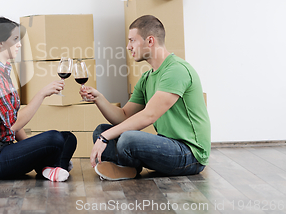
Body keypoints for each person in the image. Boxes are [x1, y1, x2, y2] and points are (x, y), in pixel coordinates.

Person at [79, 15, 211, 180]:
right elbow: (124, 117)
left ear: (150, 41)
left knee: (125, 138)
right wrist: (98, 98)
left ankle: (124, 166)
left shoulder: (176, 70)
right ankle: (125, 168)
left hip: (190, 154)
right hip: (168, 145)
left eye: (132, 40)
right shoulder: (147, 78)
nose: (128, 46)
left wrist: (105, 138)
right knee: (102, 130)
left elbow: (150, 115)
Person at [0, 17, 77, 182]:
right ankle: (52, 166)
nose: (19, 44)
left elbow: (9, 124)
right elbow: (15, 123)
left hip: (7, 149)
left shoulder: (2, 72)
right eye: (15, 39)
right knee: (54, 139)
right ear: (0, 43)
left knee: (68, 138)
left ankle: (49, 168)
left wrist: (33, 149)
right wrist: (41, 94)